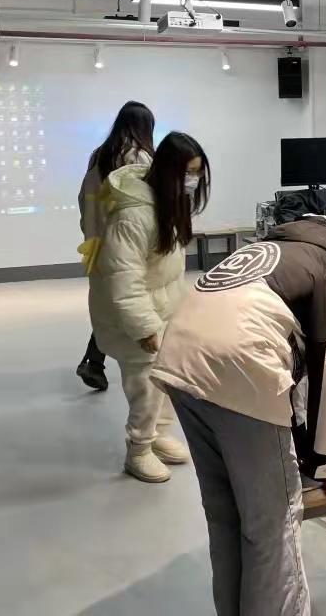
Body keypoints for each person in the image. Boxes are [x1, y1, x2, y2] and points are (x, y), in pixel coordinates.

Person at [150, 214, 326, 616]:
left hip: (182, 354)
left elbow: (299, 381)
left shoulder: (302, 243)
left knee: (226, 518)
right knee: (273, 529)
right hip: (238, 363)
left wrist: (308, 452)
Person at [89, 131, 211, 482]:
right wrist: (143, 327)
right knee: (144, 386)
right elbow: (124, 280)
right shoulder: (132, 217)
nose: (193, 180)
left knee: (167, 377)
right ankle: (138, 450)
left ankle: (157, 435)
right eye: (188, 172)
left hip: (163, 305)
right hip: (132, 314)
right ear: (169, 171)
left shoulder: (169, 203)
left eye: (197, 173)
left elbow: (166, 271)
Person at [76, 101, 157, 391]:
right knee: (133, 301)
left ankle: (93, 361)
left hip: (96, 242)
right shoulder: (139, 157)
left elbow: (83, 200)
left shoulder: (99, 156)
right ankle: (121, 361)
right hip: (128, 243)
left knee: (108, 302)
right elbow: (148, 204)